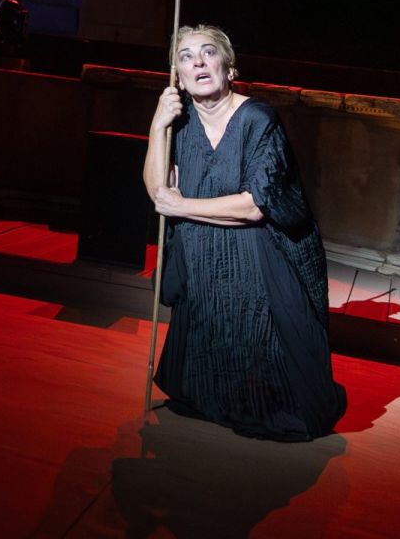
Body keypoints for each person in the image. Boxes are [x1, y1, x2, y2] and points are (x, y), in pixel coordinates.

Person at [144, 24, 346, 441]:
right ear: (177, 76)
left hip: (259, 258)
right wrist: (157, 127)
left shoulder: (257, 119)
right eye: (185, 56)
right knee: (206, 362)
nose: (197, 61)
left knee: (272, 389)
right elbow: (157, 191)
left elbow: (256, 205)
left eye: (207, 53)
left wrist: (183, 206)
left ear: (229, 68)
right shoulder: (179, 127)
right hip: (204, 259)